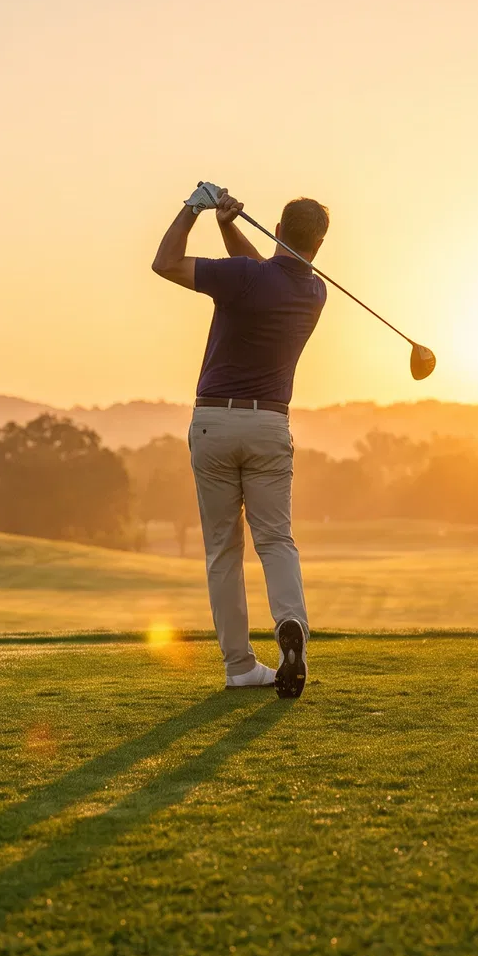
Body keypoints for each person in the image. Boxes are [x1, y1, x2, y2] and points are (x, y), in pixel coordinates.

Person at [151, 184, 327, 698]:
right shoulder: (313, 292)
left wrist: (194, 208)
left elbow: (165, 263)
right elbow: (262, 276)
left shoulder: (248, 277)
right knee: (276, 540)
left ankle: (240, 666)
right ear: (317, 245)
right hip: (270, 426)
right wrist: (229, 225)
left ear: (277, 231)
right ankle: (290, 625)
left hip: (214, 424)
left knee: (223, 551)